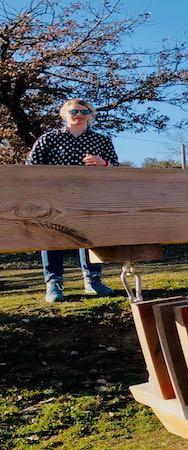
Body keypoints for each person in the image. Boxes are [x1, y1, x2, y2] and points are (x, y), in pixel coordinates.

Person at [26, 98, 119, 303]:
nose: (79, 115)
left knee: (89, 237)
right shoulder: (48, 138)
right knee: (52, 237)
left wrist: (103, 163)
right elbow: (31, 166)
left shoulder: (102, 140)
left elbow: (117, 169)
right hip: (53, 196)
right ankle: (54, 283)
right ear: (64, 114)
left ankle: (93, 281)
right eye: (74, 111)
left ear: (91, 115)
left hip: (90, 196)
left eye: (84, 112)